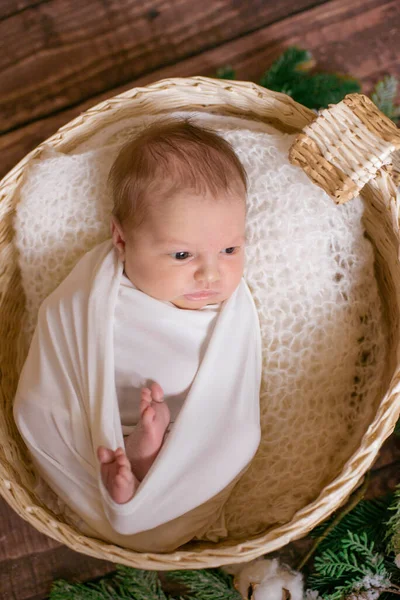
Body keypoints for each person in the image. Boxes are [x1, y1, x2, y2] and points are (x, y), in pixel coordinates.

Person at [14, 119, 261, 549]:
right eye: (182, 254)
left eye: (229, 250)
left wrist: (173, 436)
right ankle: (126, 464)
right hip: (89, 415)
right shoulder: (99, 283)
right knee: (42, 406)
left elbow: (232, 388)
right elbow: (62, 320)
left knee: (239, 439)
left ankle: (146, 463)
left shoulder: (230, 313)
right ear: (121, 241)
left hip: (184, 428)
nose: (211, 272)